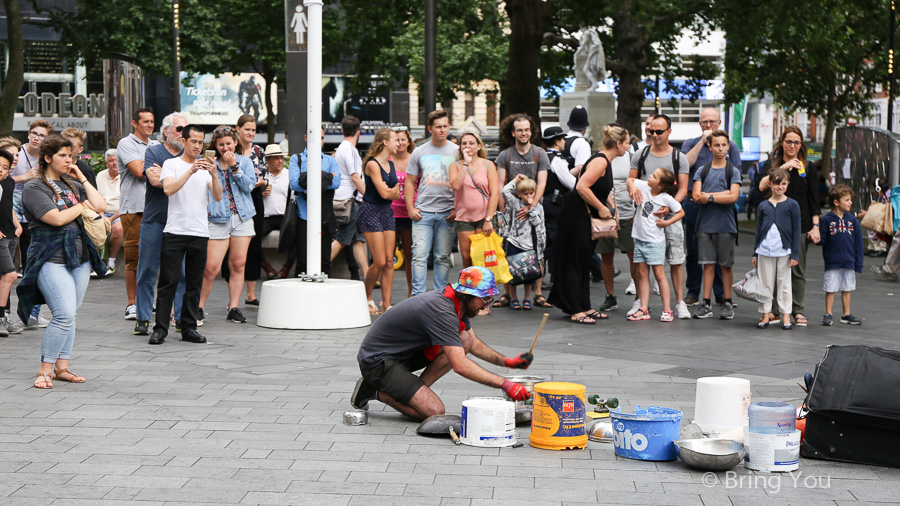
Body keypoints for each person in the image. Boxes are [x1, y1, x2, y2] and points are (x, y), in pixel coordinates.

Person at [350, 266, 533, 420]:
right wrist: (505, 384)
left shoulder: (458, 302)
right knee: (434, 411)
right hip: (377, 362)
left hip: (403, 354)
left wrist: (507, 362)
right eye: (484, 299)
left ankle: (411, 393)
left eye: (489, 299)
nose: (486, 305)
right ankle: (372, 391)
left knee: (465, 340)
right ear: (467, 295)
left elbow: (473, 343)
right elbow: (460, 365)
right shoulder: (442, 309)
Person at [17, 134, 107, 388]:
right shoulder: (35, 187)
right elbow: (55, 218)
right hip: (50, 258)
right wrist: (80, 207)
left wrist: (81, 178)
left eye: (71, 155)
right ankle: (44, 371)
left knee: (71, 315)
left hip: (81, 258)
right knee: (63, 314)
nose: (69, 160)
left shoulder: (73, 184)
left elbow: (100, 205)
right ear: (48, 158)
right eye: (63, 156)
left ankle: (62, 367)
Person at [148, 125, 223, 345]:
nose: (198, 147)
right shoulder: (171, 164)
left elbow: (217, 197)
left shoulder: (206, 168)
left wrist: (215, 174)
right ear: (184, 141)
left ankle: (188, 327)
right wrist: (190, 171)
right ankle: (160, 329)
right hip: (175, 231)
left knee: (194, 284)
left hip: (199, 232)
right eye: (194, 142)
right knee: (168, 282)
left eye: (201, 143)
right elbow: (168, 189)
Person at [548, 124, 630, 324]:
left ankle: (583, 305)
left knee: (584, 261)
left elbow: (600, 189)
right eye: (627, 143)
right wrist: (601, 208)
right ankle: (575, 309)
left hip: (583, 215)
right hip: (577, 216)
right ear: (618, 144)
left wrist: (611, 206)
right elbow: (582, 186)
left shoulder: (605, 161)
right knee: (575, 261)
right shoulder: (600, 161)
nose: (628, 147)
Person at [629, 114, 692, 319]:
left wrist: (670, 208)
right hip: (646, 216)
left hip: (669, 213)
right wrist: (632, 190)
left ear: (669, 132)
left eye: (658, 132)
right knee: (642, 263)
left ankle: (679, 302)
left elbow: (683, 188)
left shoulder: (678, 157)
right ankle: (641, 301)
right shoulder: (642, 153)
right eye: (650, 131)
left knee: (675, 259)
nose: (654, 135)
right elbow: (631, 180)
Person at [757, 126, 820, 327]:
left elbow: (814, 200)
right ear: (782, 142)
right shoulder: (773, 164)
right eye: (788, 141)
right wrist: (784, 167)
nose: (792, 145)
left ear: (801, 145)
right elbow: (761, 187)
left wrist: (816, 226)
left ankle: (797, 310)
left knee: (796, 270)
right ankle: (775, 310)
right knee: (773, 271)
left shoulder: (807, 167)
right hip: (773, 227)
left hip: (800, 226)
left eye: (796, 142)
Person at [681, 107, 742, 307]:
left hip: (722, 206)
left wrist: (712, 197)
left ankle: (721, 294)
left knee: (721, 252)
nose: (708, 125)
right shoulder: (691, 144)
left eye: (712, 122)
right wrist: (702, 141)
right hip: (694, 203)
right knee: (694, 249)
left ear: (719, 124)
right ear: (700, 124)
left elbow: (736, 177)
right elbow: (685, 165)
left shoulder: (730, 146)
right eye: (705, 122)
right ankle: (693, 291)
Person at [135, 112, 189, 336]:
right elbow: (155, 181)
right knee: (147, 269)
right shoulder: (154, 151)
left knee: (183, 273)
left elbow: (164, 179)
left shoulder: (191, 155)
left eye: (186, 130)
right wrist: (184, 176)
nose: (183, 134)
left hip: (182, 221)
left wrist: (168, 175)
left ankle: (179, 317)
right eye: (179, 129)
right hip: (155, 219)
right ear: (166, 131)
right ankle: (143, 318)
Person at [198, 126, 257, 324]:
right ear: (215, 145)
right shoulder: (209, 163)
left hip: (242, 217)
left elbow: (249, 187)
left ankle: (233, 307)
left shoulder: (244, 162)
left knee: (238, 264)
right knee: (210, 267)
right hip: (217, 218)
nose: (225, 148)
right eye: (221, 144)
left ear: (235, 143)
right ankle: (199, 306)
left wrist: (235, 167)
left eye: (228, 143)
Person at [493, 113, 550, 307]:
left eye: (526, 129)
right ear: (513, 133)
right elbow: (500, 184)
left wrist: (531, 206)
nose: (523, 133)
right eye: (519, 130)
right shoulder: (505, 155)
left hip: (533, 208)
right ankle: (508, 294)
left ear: (531, 132)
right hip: (511, 210)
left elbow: (542, 183)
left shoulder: (539, 154)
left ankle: (537, 293)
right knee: (508, 252)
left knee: (537, 249)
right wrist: (503, 215)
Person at [406, 110, 459, 295]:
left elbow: (462, 183)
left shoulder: (456, 151)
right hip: (423, 213)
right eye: (438, 127)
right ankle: (418, 297)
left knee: (442, 257)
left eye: (445, 126)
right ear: (430, 129)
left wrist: (456, 208)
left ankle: (439, 296)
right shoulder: (419, 151)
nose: (442, 130)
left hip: (447, 212)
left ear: (449, 126)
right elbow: (410, 182)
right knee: (419, 257)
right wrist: (411, 208)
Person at [116, 108, 159, 321]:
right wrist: (155, 168)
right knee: (134, 258)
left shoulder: (156, 144)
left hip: (155, 209)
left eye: (152, 121)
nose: (150, 125)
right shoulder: (126, 143)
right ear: (135, 123)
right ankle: (132, 303)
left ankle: (146, 299)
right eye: (145, 122)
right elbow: (139, 171)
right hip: (134, 209)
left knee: (152, 258)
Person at [626, 167, 685, 322]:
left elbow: (680, 212)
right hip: (639, 239)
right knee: (642, 274)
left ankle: (667, 309)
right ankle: (643, 309)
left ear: (661, 186)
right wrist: (632, 187)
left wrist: (667, 223)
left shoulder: (665, 198)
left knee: (659, 275)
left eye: (654, 176)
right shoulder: (644, 186)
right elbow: (629, 180)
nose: (650, 176)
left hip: (655, 242)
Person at [13, 120, 53, 329]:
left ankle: (30, 314)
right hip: (9, 214)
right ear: (28, 135)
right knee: (10, 269)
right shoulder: (15, 153)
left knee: (32, 266)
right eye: (34, 134)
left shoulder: (47, 159)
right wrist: (25, 177)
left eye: (42, 135)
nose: (37, 138)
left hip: (33, 217)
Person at [752, 167, 801, 329]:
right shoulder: (763, 206)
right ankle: (765, 314)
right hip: (764, 249)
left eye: (784, 184)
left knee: (784, 284)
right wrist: (755, 253)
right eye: (776, 184)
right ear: (770, 185)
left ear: (787, 185)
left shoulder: (792, 205)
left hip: (784, 250)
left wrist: (795, 254)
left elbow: (796, 231)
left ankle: (786, 314)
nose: (780, 187)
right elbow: (758, 230)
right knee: (765, 283)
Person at [289, 128, 341, 276]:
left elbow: (336, 182)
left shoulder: (330, 160)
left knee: (325, 261)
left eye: (322, 137)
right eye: (316, 137)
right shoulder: (296, 159)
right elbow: (293, 184)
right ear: (306, 137)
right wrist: (326, 176)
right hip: (303, 215)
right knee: (302, 262)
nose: (320, 141)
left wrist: (305, 178)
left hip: (324, 216)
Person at [359, 128, 400, 314]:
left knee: (390, 261)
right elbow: (386, 193)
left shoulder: (390, 164)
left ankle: (386, 304)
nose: (399, 143)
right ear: (385, 142)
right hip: (370, 211)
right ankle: (366, 296)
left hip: (386, 211)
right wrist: (390, 191)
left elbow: (396, 193)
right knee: (380, 261)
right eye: (395, 140)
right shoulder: (372, 164)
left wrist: (390, 192)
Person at [449, 131, 499, 271]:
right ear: (460, 147)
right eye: (464, 143)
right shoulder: (456, 166)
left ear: (478, 146)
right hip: (464, 218)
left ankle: (484, 293)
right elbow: (456, 186)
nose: (468, 146)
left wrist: (489, 218)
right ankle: (470, 292)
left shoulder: (488, 165)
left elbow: (495, 193)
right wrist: (466, 163)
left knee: (484, 259)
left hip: (484, 217)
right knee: (467, 258)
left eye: (471, 143)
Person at [233, 115, 269, 306]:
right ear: (238, 129)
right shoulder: (231, 147)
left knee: (254, 244)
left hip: (254, 197)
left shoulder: (258, 150)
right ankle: (233, 297)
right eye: (247, 129)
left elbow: (264, 176)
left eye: (254, 130)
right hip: (234, 198)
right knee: (233, 246)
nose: (251, 133)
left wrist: (262, 183)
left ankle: (251, 294)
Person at [331, 115, 369, 280]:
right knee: (343, 239)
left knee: (357, 240)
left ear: (342, 131)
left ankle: (368, 275)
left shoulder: (341, 148)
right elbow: (355, 177)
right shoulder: (349, 150)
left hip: (348, 200)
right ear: (358, 133)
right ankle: (319, 267)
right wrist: (369, 196)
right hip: (350, 201)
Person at [819, 184, 864, 325]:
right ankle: (828, 314)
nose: (850, 202)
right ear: (836, 202)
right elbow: (823, 240)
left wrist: (858, 263)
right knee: (830, 288)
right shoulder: (826, 220)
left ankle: (846, 314)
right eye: (847, 200)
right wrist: (815, 238)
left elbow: (858, 243)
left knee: (847, 288)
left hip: (849, 261)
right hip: (832, 261)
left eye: (850, 199)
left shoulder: (853, 221)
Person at [501, 175, 546, 309]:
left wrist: (531, 209)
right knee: (512, 272)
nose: (528, 196)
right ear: (519, 195)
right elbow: (504, 191)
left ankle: (527, 298)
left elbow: (538, 223)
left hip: (529, 244)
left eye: (531, 193)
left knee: (528, 274)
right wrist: (515, 180)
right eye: (525, 194)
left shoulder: (538, 207)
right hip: (514, 241)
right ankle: (513, 298)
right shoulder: (514, 203)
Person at [540, 126, 575, 298]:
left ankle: (543, 276)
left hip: (545, 203)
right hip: (555, 204)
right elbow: (570, 183)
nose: (564, 142)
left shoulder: (543, 156)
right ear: (556, 141)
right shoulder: (557, 160)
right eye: (562, 139)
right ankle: (543, 276)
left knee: (547, 240)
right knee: (553, 241)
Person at [257, 144, 292, 279]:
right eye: (276, 158)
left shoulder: (289, 174)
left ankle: (287, 267)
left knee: (300, 236)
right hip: (266, 218)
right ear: (268, 160)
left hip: (285, 217)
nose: (280, 161)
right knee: (251, 239)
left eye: (281, 158)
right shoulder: (262, 176)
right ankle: (266, 267)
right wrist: (260, 192)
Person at [0, 150, 23, 336]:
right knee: (10, 275)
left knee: (4, 277)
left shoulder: (8, 183)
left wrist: (17, 226)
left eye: (5, 167)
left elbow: (9, 208)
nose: (1, 170)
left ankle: (4, 317)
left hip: (10, 235)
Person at [391, 126, 415, 297]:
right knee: (387, 258)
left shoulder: (414, 159)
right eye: (396, 140)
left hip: (408, 213)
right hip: (389, 213)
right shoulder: (386, 159)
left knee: (410, 255)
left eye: (402, 140)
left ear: (408, 142)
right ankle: (386, 298)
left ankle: (411, 293)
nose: (399, 143)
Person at [95, 149, 123, 273]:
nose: (114, 163)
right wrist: (102, 215)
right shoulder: (101, 175)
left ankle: (111, 261)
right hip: (102, 211)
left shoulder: (125, 175)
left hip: (119, 213)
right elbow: (97, 197)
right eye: (111, 160)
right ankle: (96, 262)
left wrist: (111, 219)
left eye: (116, 160)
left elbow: (126, 202)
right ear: (106, 163)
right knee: (94, 228)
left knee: (118, 229)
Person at [562, 105, 593, 173]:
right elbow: (580, 168)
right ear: (585, 128)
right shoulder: (582, 143)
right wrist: (566, 178)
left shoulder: (561, 140)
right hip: (574, 182)